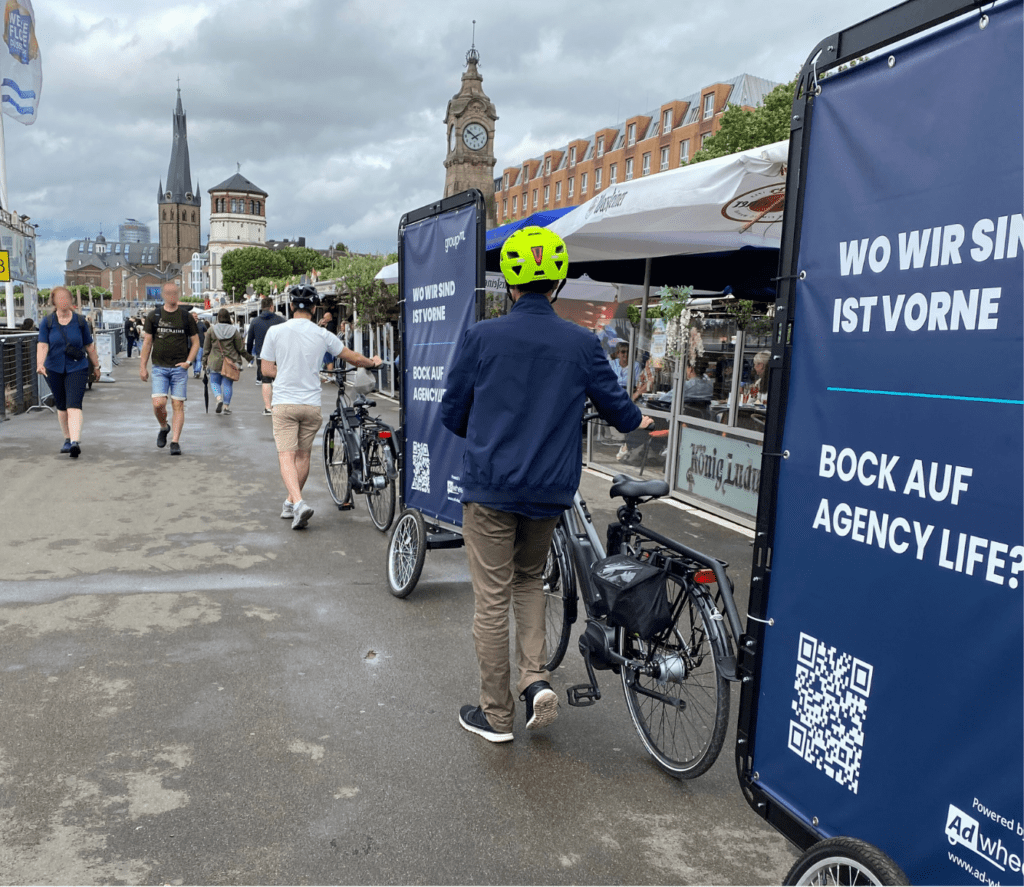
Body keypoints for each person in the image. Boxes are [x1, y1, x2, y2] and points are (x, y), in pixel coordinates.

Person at [440, 226, 653, 743]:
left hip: (490, 489)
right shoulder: (582, 343)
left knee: (491, 599)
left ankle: (496, 716)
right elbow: (622, 415)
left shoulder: (483, 337)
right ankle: (535, 680)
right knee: (530, 580)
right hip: (549, 493)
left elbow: (452, 413)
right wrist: (641, 421)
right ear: (557, 282)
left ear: (509, 283)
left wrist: (490, 436)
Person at [260, 285, 382, 530]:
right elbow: (353, 358)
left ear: (291, 306)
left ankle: (299, 504)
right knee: (303, 455)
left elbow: (266, 370)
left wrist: (285, 373)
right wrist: (373, 361)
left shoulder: (275, 331)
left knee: (286, 456)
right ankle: (290, 503)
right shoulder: (322, 334)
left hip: (284, 403)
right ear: (315, 309)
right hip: (311, 405)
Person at [35, 286, 101, 458]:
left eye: (66, 298)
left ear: (71, 300)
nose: (63, 301)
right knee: (62, 405)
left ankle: (74, 442)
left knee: (74, 404)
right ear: (54, 302)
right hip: (53, 368)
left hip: (77, 367)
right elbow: (42, 345)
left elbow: (89, 345)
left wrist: (96, 366)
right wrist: (40, 364)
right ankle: (67, 438)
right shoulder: (47, 322)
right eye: (60, 298)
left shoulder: (80, 322)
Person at [139, 283, 199, 456]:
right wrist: (143, 366)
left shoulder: (185, 317)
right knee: (158, 403)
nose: (172, 296)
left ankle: (175, 441)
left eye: (174, 293)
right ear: (163, 295)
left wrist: (188, 362)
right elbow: (147, 342)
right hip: (159, 367)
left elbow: (195, 342)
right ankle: (164, 427)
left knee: (178, 404)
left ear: (178, 294)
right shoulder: (154, 316)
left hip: (179, 369)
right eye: (168, 293)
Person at [203, 308, 252, 415]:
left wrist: (204, 362)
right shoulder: (234, 330)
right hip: (230, 362)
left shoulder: (211, 330)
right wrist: (248, 357)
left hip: (214, 361)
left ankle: (218, 398)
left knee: (214, 382)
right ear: (228, 317)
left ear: (218, 318)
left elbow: (206, 348)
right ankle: (226, 407)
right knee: (227, 384)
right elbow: (240, 348)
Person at [246, 296, 285, 415]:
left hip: (261, 354)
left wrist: (249, 353)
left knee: (266, 381)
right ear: (272, 307)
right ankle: (280, 406)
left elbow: (250, 339)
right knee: (280, 380)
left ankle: (268, 408)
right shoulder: (281, 320)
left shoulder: (255, 321)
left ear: (261, 307)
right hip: (279, 355)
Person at [193, 312, 210, 378]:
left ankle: (197, 372)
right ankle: (195, 371)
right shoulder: (189, 324)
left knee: (198, 359)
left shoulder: (201, 324)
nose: (196, 317)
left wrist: (207, 343)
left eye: (196, 316)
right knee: (193, 360)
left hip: (200, 344)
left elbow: (206, 334)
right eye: (194, 316)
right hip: (191, 345)